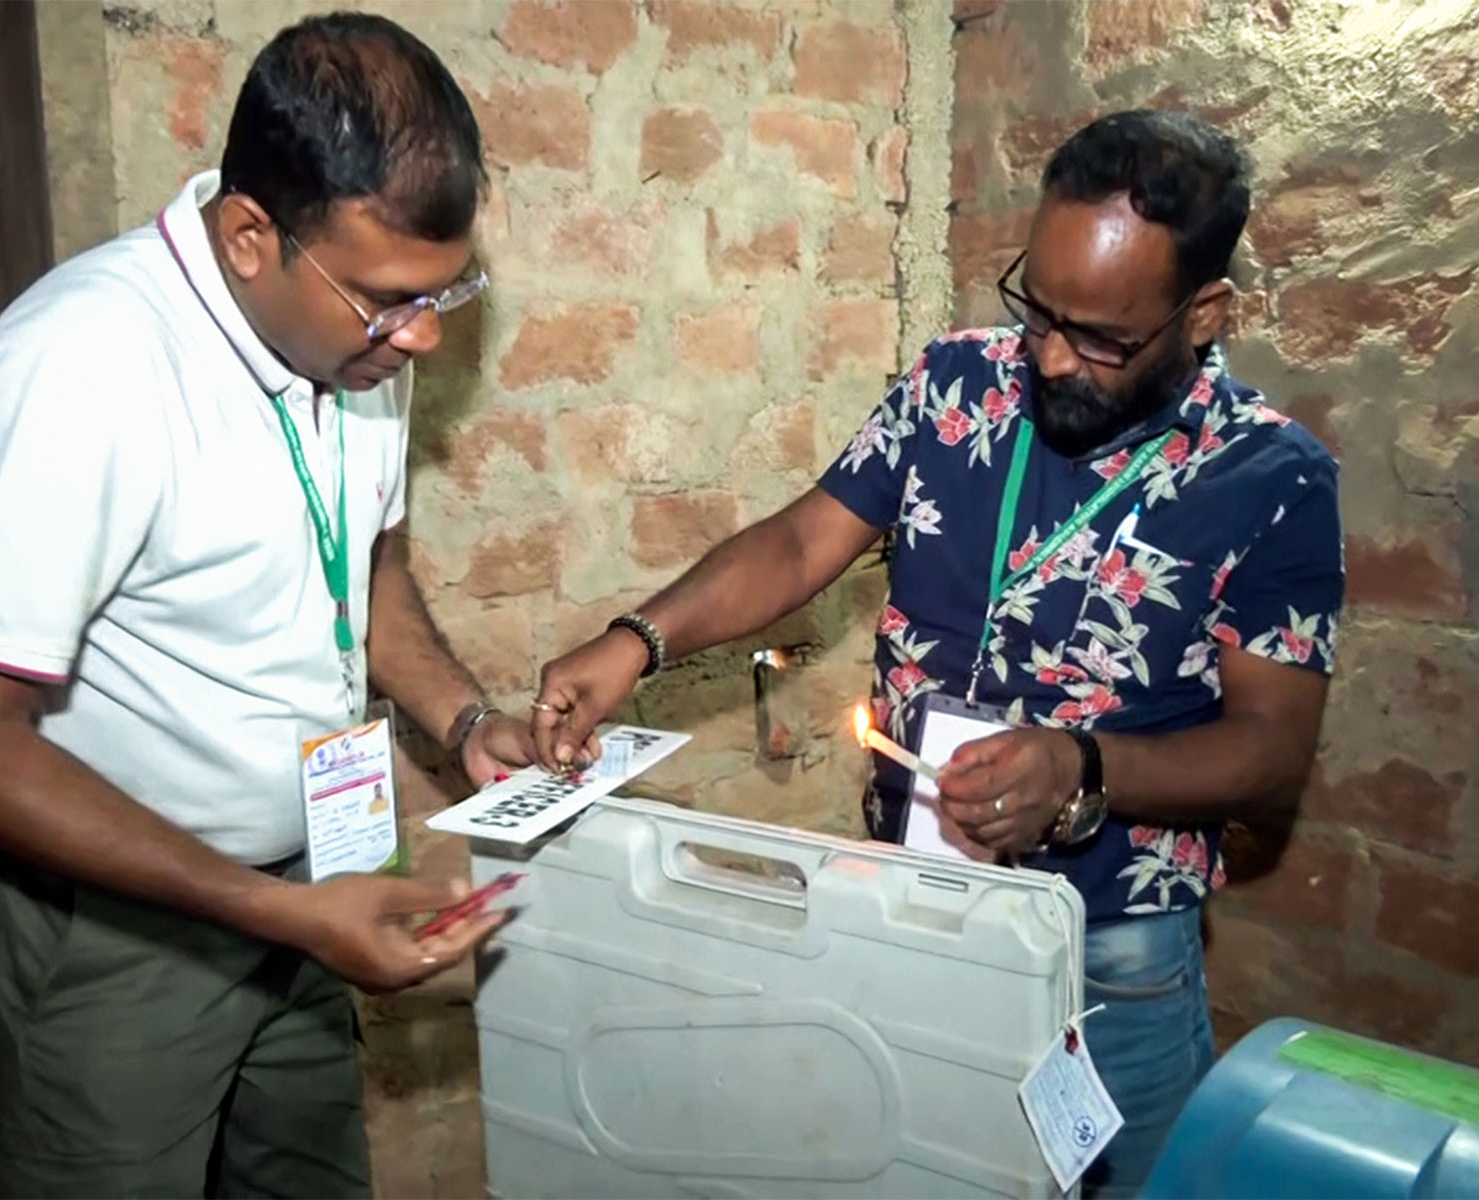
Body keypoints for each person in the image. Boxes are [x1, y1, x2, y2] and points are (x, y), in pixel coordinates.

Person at [531, 110, 1343, 1196]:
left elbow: (1267, 754)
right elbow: (798, 540)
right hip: (909, 906)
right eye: (1037, 310)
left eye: (1099, 337)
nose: (1050, 356)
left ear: (1204, 314)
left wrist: (1085, 766)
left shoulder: (1270, 478)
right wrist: (636, 641)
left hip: (1109, 952)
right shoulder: (957, 383)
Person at [0, 13, 535, 1198]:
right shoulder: (81, 369)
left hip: (303, 884)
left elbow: (366, 573)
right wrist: (277, 914)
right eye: (393, 300)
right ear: (251, 236)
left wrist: (459, 721)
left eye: (444, 293)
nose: (427, 336)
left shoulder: (351, 345)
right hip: (118, 923)